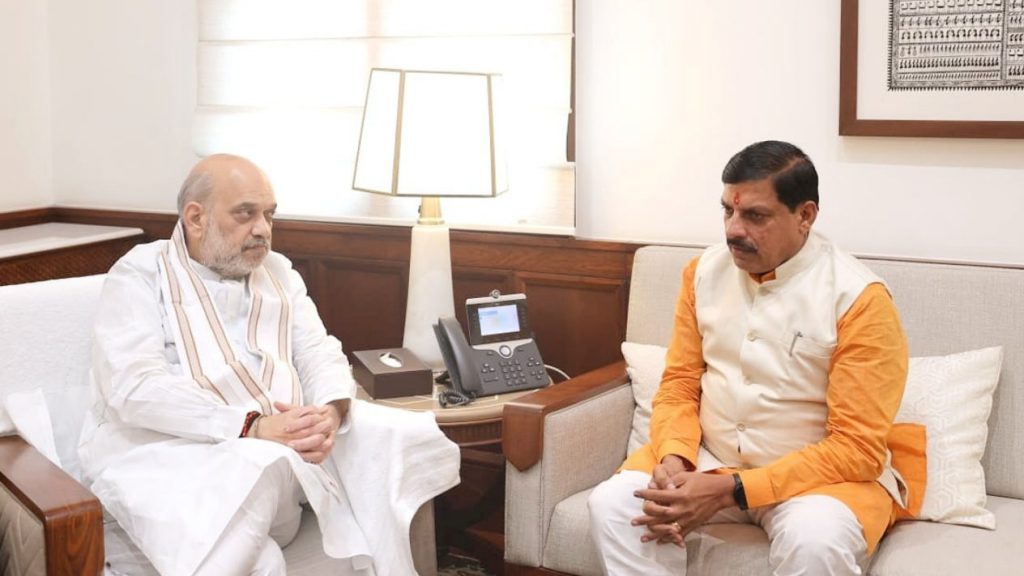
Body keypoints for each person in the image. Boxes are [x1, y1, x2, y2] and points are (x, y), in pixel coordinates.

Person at [78, 154, 460, 576]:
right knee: (264, 544)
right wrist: (251, 426)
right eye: (245, 214)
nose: (263, 229)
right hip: (170, 460)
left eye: (269, 215)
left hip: (281, 465)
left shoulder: (279, 272)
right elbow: (135, 388)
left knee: (397, 434)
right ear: (195, 217)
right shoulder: (140, 274)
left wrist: (328, 413)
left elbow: (319, 351)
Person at [587, 141, 925, 575]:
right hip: (710, 458)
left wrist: (732, 490)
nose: (732, 229)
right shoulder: (703, 274)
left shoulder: (859, 298)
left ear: (805, 216)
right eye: (727, 210)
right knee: (614, 505)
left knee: (816, 544)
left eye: (754, 215)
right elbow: (680, 383)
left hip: (815, 481)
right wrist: (673, 461)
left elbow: (857, 447)